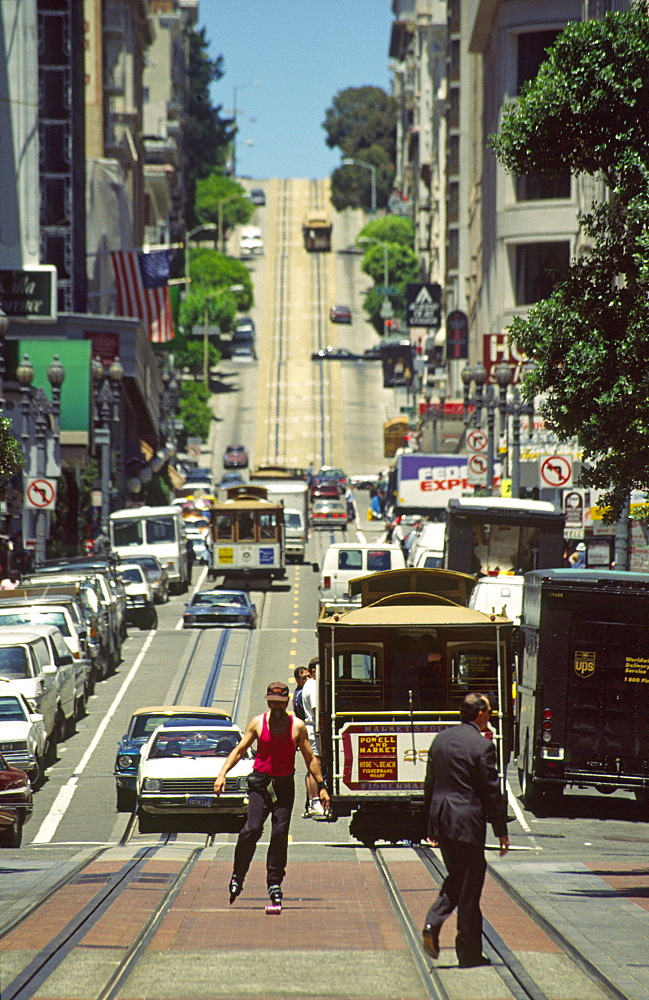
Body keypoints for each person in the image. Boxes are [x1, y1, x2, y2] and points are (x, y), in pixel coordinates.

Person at [214, 681, 329, 910]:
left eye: (280, 704)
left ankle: (274, 882)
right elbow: (239, 751)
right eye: (272, 703)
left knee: (280, 832)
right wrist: (222, 774)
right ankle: (238, 874)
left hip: (284, 785)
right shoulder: (258, 722)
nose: (276, 707)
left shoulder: (297, 726)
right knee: (252, 828)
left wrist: (322, 786)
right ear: (268, 701)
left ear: (286, 703)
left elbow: (309, 758)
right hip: (260, 784)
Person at [422, 692, 509, 968]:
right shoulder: (482, 746)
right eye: (490, 712)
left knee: (459, 877)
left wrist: (430, 824)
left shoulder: (441, 739)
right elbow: (491, 791)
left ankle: (440, 930)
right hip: (468, 822)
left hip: (443, 819)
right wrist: (501, 830)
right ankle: (464, 949)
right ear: (480, 714)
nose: (491, 716)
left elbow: (430, 784)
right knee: (470, 887)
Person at [301, 658, 325, 817]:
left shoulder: (307, 685)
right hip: (313, 728)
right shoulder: (313, 685)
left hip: (310, 727)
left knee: (313, 764)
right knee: (315, 764)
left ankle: (312, 802)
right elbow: (317, 710)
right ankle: (315, 801)